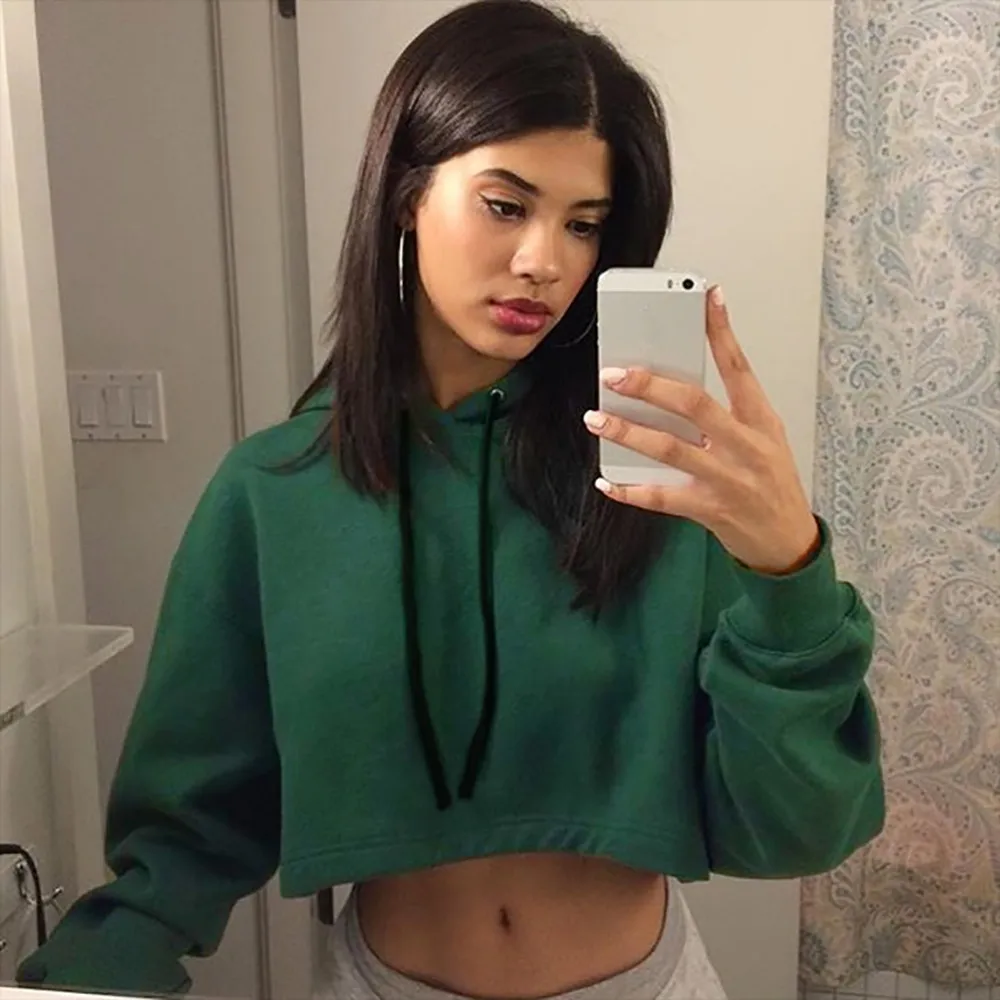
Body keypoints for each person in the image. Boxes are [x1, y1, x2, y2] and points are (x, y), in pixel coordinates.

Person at [17, 1, 886, 997]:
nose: (544, 261)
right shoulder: (273, 494)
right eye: (506, 205)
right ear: (406, 194)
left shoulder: (657, 482)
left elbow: (802, 829)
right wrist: (90, 974)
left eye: (584, 225)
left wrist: (786, 571)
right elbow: (187, 832)